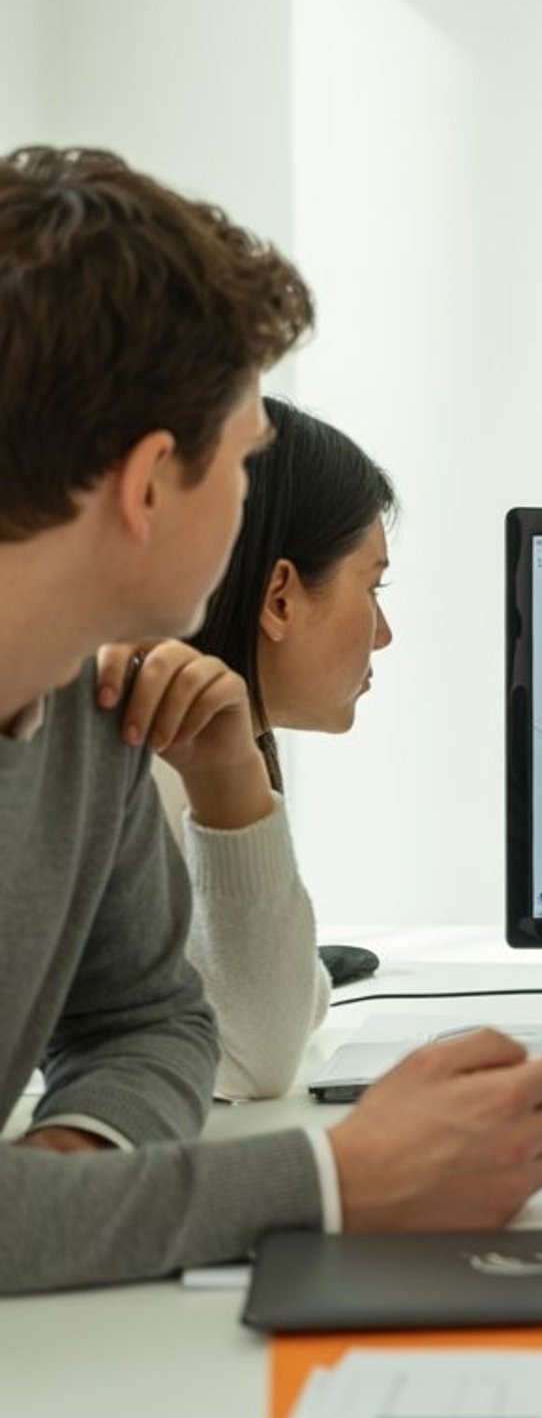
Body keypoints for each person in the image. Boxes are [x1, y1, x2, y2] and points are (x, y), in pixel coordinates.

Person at [0, 145, 542, 1295]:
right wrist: (335, 1184)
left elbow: (150, 1023)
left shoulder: (79, 704)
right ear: (153, 480)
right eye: (248, 462)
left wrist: (71, 1181)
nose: (252, 502)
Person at [92, 400, 395, 1099]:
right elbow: (252, 1058)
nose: (383, 634)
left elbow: (291, 1003)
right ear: (281, 597)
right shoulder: (146, 761)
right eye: (373, 587)